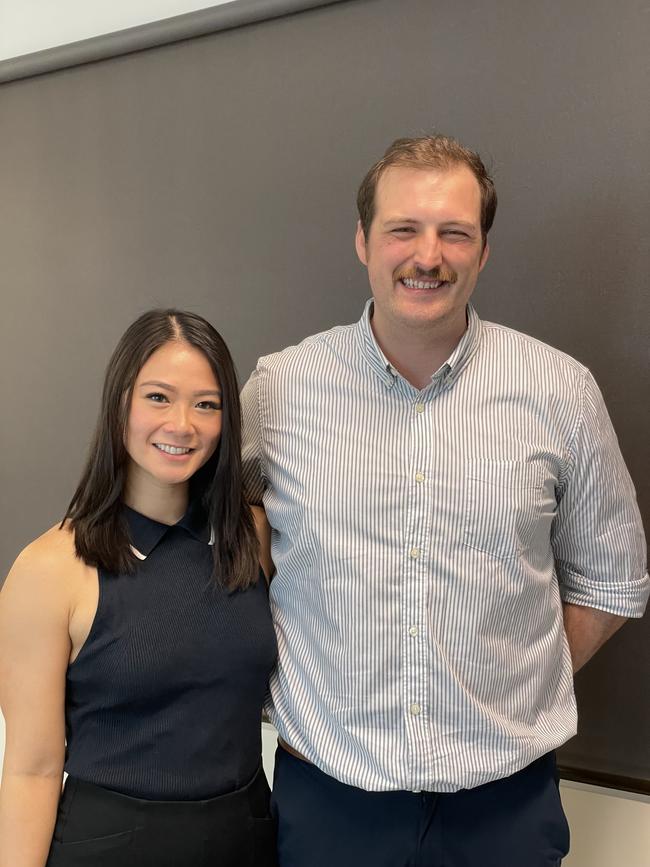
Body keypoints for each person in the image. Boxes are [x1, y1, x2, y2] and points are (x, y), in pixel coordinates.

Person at [240, 135, 649, 867]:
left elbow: (614, 579)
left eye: (454, 232)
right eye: (403, 228)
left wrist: (508, 682)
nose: (427, 255)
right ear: (363, 240)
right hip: (328, 797)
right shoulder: (278, 391)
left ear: (483, 250)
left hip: (506, 804)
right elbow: (224, 539)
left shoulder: (560, 391)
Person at [0, 309, 278, 867]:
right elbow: (31, 769)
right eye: (158, 397)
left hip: (246, 838)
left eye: (207, 404)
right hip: (109, 845)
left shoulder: (253, 536)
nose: (182, 424)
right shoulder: (49, 568)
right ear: (119, 403)